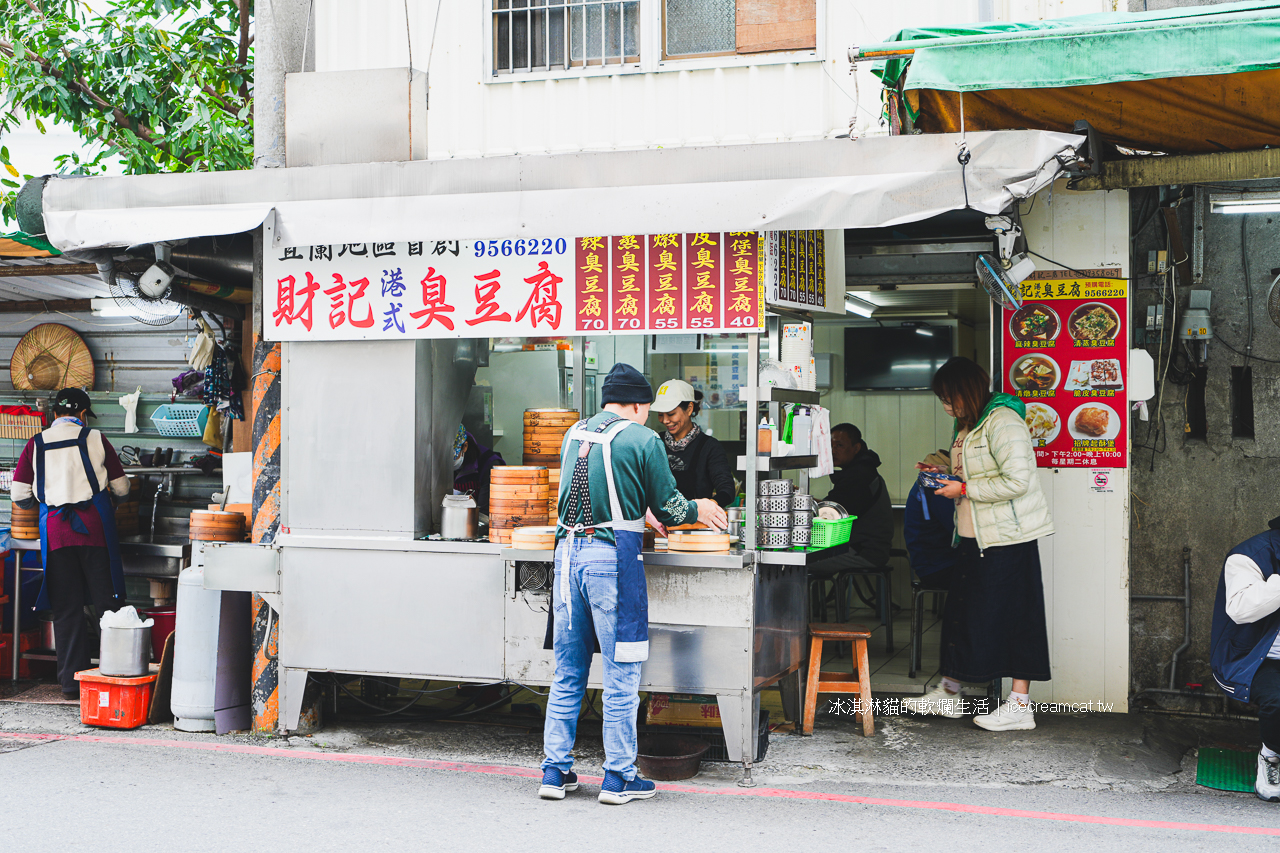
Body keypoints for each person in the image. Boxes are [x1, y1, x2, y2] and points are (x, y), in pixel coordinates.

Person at [539, 363, 727, 805]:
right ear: (640, 405)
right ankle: (619, 776)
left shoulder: (575, 434)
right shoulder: (643, 438)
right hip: (610, 563)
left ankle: (555, 770)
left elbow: (580, 497)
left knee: (569, 672)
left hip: (567, 559)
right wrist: (699, 507)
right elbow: (671, 505)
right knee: (621, 672)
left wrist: (635, 508)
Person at [901, 357, 1054, 731]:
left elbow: (1018, 480)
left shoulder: (1004, 422)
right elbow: (973, 475)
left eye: (949, 398)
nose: (946, 406)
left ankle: (1020, 704)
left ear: (967, 392)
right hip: (973, 537)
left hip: (1007, 540)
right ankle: (949, 693)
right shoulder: (968, 426)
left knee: (1016, 619)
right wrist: (943, 478)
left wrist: (965, 488)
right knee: (961, 616)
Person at [11, 388, 130, 700]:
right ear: (83, 415)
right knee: (108, 606)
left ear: (53, 415)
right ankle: (113, 677)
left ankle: (70, 685)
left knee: (67, 610)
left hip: (57, 536)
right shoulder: (96, 438)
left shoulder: (35, 443)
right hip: (95, 532)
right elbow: (122, 486)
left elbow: (19, 495)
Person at [1209, 519, 1280, 802]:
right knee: (1277, 701)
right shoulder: (1250, 554)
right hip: (1257, 658)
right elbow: (1241, 609)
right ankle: (1271, 757)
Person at [650, 379, 735, 508]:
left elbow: (727, 490)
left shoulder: (710, 447)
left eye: (671, 414)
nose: (665, 420)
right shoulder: (654, 442)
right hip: (657, 524)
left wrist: (707, 507)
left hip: (694, 525)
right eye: (661, 415)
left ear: (689, 409)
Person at [823, 423, 892, 569]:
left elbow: (831, 512)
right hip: (864, 548)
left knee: (799, 562)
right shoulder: (862, 470)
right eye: (830, 446)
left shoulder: (860, 476)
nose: (833, 451)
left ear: (856, 448)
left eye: (839, 445)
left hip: (864, 552)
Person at [451, 425, 505, 509]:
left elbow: (486, 512)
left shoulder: (489, 464)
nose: (447, 462)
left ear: (464, 447)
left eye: (451, 456)